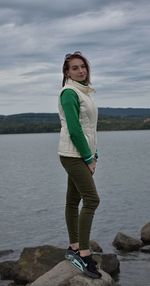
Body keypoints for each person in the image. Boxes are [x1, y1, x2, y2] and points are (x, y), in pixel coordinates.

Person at [58, 51, 101, 279]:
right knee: (92, 199)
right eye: (75, 68)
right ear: (67, 72)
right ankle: (84, 254)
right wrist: (87, 158)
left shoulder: (85, 92)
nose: (81, 70)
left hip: (81, 154)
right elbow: (74, 130)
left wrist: (95, 154)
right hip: (73, 155)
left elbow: (89, 129)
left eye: (83, 66)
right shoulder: (69, 92)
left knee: (73, 200)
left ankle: (74, 246)